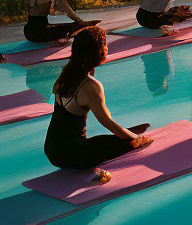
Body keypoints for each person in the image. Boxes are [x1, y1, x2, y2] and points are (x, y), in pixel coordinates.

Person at [44, 27, 153, 183]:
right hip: (74, 155)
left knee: (105, 141)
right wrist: (136, 138)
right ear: (98, 51)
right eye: (105, 45)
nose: (108, 48)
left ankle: (122, 136)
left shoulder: (67, 73)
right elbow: (107, 122)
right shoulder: (91, 86)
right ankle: (91, 177)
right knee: (129, 143)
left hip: (52, 151)